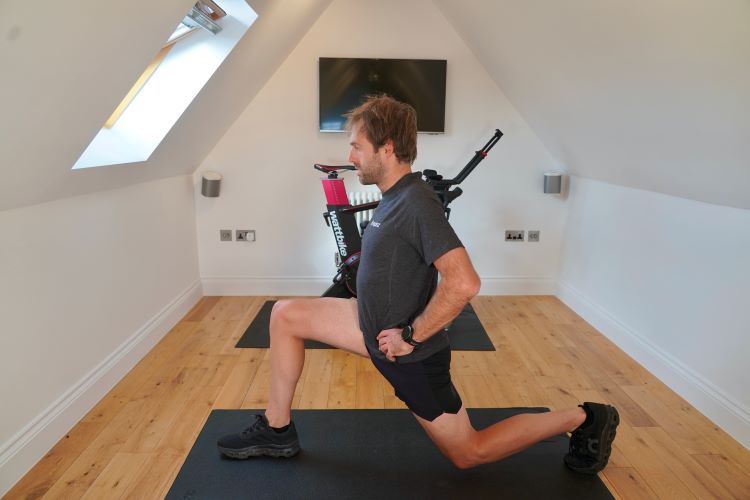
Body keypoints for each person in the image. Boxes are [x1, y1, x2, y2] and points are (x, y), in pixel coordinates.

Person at [217, 95, 619, 474]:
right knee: (285, 315)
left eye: (357, 147)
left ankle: (584, 416)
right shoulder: (392, 196)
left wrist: (412, 335)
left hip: (409, 355)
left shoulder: (416, 204)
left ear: (386, 148)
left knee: (468, 453)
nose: (350, 156)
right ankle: (277, 428)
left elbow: (464, 283)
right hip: (369, 328)